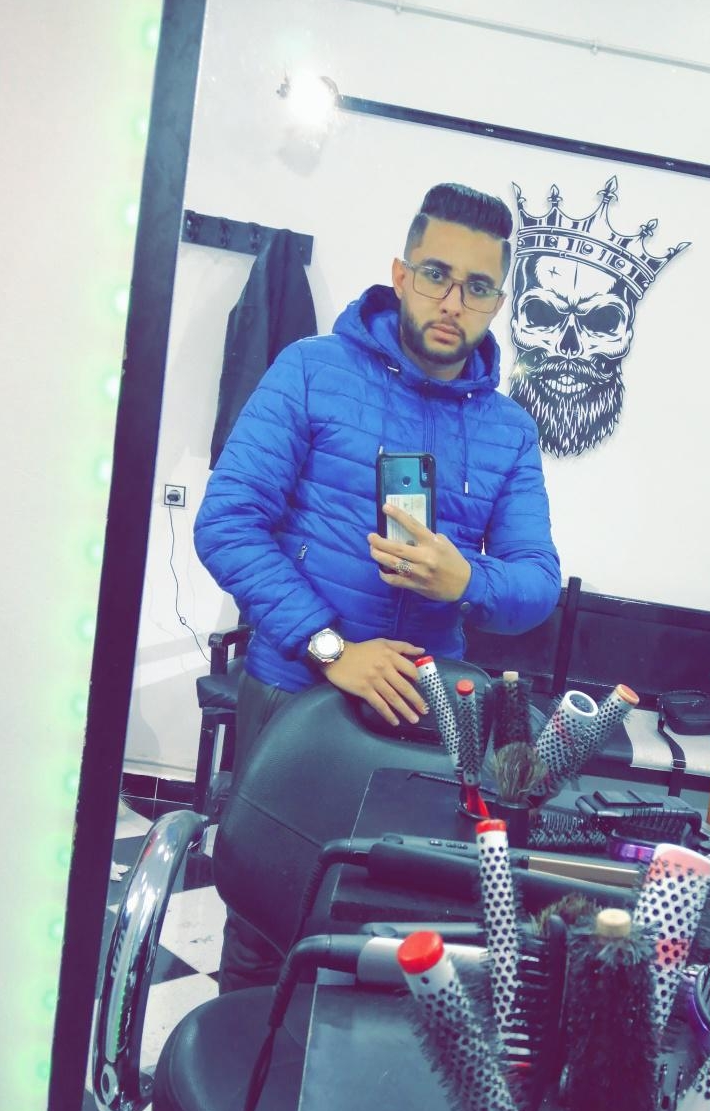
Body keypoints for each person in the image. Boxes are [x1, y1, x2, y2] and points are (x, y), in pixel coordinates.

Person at [194, 181, 561, 990]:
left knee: (391, 926)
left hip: (425, 718)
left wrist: (466, 579)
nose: (452, 301)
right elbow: (226, 524)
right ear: (400, 274)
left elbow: (539, 583)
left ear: (498, 303)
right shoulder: (311, 371)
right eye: (435, 274)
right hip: (295, 689)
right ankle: (249, 1062)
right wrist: (332, 648)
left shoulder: (509, 431)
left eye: (477, 286)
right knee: (264, 915)